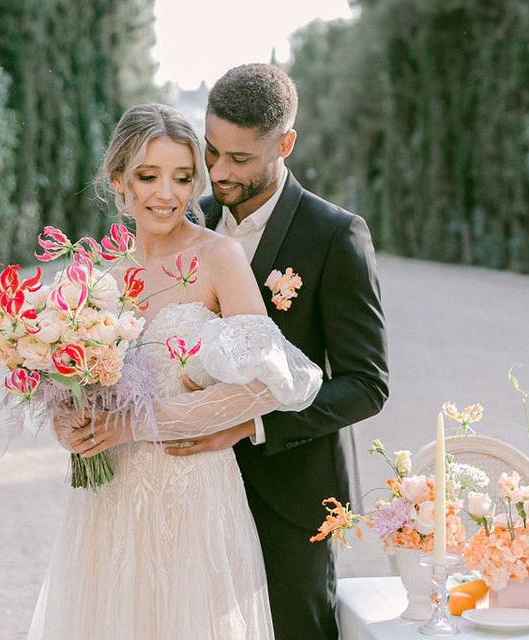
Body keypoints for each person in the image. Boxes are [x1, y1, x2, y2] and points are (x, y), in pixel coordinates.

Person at [27, 103, 322, 640]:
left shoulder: (219, 258)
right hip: (108, 496)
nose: (167, 193)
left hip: (193, 491)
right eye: (148, 176)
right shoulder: (95, 271)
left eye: (182, 178)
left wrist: (142, 423)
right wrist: (66, 425)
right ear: (119, 180)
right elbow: (67, 381)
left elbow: (263, 387)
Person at [164, 64, 389, 640]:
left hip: (291, 498)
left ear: (284, 144)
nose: (217, 172)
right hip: (191, 492)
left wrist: (250, 426)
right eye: (212, 151)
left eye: (239, 160)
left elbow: (366, 384)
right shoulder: (188, 226)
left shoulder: (335, 236)